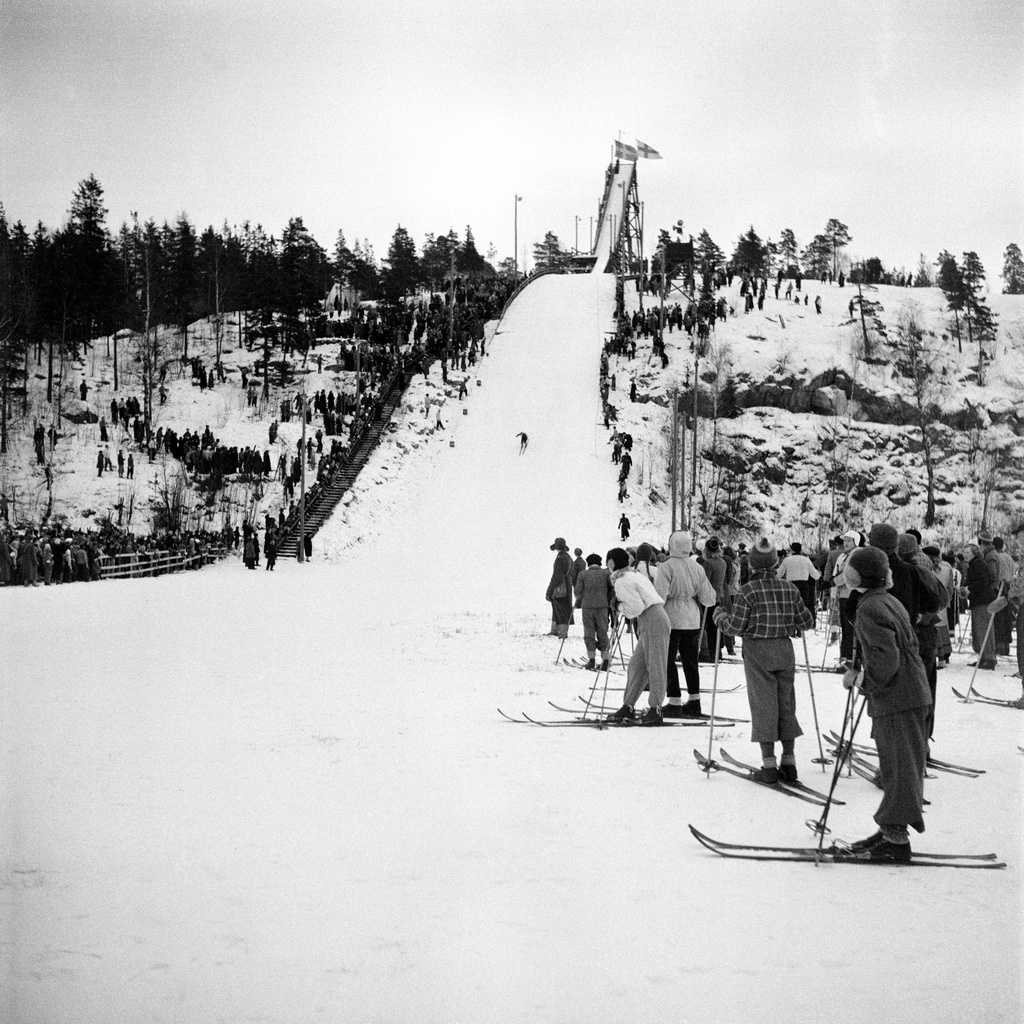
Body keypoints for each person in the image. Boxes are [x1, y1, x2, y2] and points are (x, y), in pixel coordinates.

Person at [842, 545, 932, 863]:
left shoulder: (870, 608)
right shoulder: (886, 600)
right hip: (910, 691)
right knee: (897, 765)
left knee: (899, 767)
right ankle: (890, 829)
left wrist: (862, 680)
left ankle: (895, 838)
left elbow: (886, 659)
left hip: (898, 696)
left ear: (854, 576)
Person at [714, 538, 814, 783]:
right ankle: (789, 763)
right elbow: (807, 622)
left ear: (753, 564)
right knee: (786, 703)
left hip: (758, 651)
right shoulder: (789, 588)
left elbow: (734, 627)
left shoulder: (748, 591)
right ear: (775, 562)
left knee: (764, 705)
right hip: (783, 649)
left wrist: (720, 617)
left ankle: (769, 766)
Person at [604, 547, 671, 726]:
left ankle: (655, 709)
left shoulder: (622, 581)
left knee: (655, 665)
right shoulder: (633, 575)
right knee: (637, 665)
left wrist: (618, 607)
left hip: (652, 618)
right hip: (652, 618)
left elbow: (636, 608)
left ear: (611, 563)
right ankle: (628, 705)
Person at [655, 530, 716, 717]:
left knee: (668, 659)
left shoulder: (666, 567)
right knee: (691, 660)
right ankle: (695, 701)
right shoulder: (697, 567)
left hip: (671, 617)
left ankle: (674, 700)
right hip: (692, 617)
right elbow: (709, 598)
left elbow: (660, 595)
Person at [960, 543, 997, 670]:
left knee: (983, 629)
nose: (965, 555)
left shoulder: (978, 564)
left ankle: (989, 658)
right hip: (978, 601)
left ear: (974, 553)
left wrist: (969, 589)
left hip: (983, 601)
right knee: (978, 630)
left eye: (967, 552)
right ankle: (983, 657)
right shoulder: (973, 564)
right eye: (964, 552)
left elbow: (982, 581)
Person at [574, 554, 613, 670]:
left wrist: (579, 601)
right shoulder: (606, 573)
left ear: (588, 563)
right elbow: (612, 589)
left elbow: (577, 592)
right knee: (603, 632)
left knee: (589, 632)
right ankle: (605, 660)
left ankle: (591, 660)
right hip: (602, 607)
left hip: (587, 607)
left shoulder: (583, 574)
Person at [777, 541, 821, 616]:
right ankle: (803, 622)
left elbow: (779, 574)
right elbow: (815, 575)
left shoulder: (787, 560)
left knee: (791, 606)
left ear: (792, 550)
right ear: (800, 550)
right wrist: (819, 573)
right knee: (803, 606)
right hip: (804, 585)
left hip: (791, 585)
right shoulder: (806, 560)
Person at [545, 537, 573, 640]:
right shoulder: (568, 557)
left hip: (560, 588)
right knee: (560, 608)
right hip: (567, 586)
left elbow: (556, 576)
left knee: (560, 609)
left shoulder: (560, 558)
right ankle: (557, 630)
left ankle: (561, 633)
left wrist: (549, 591)